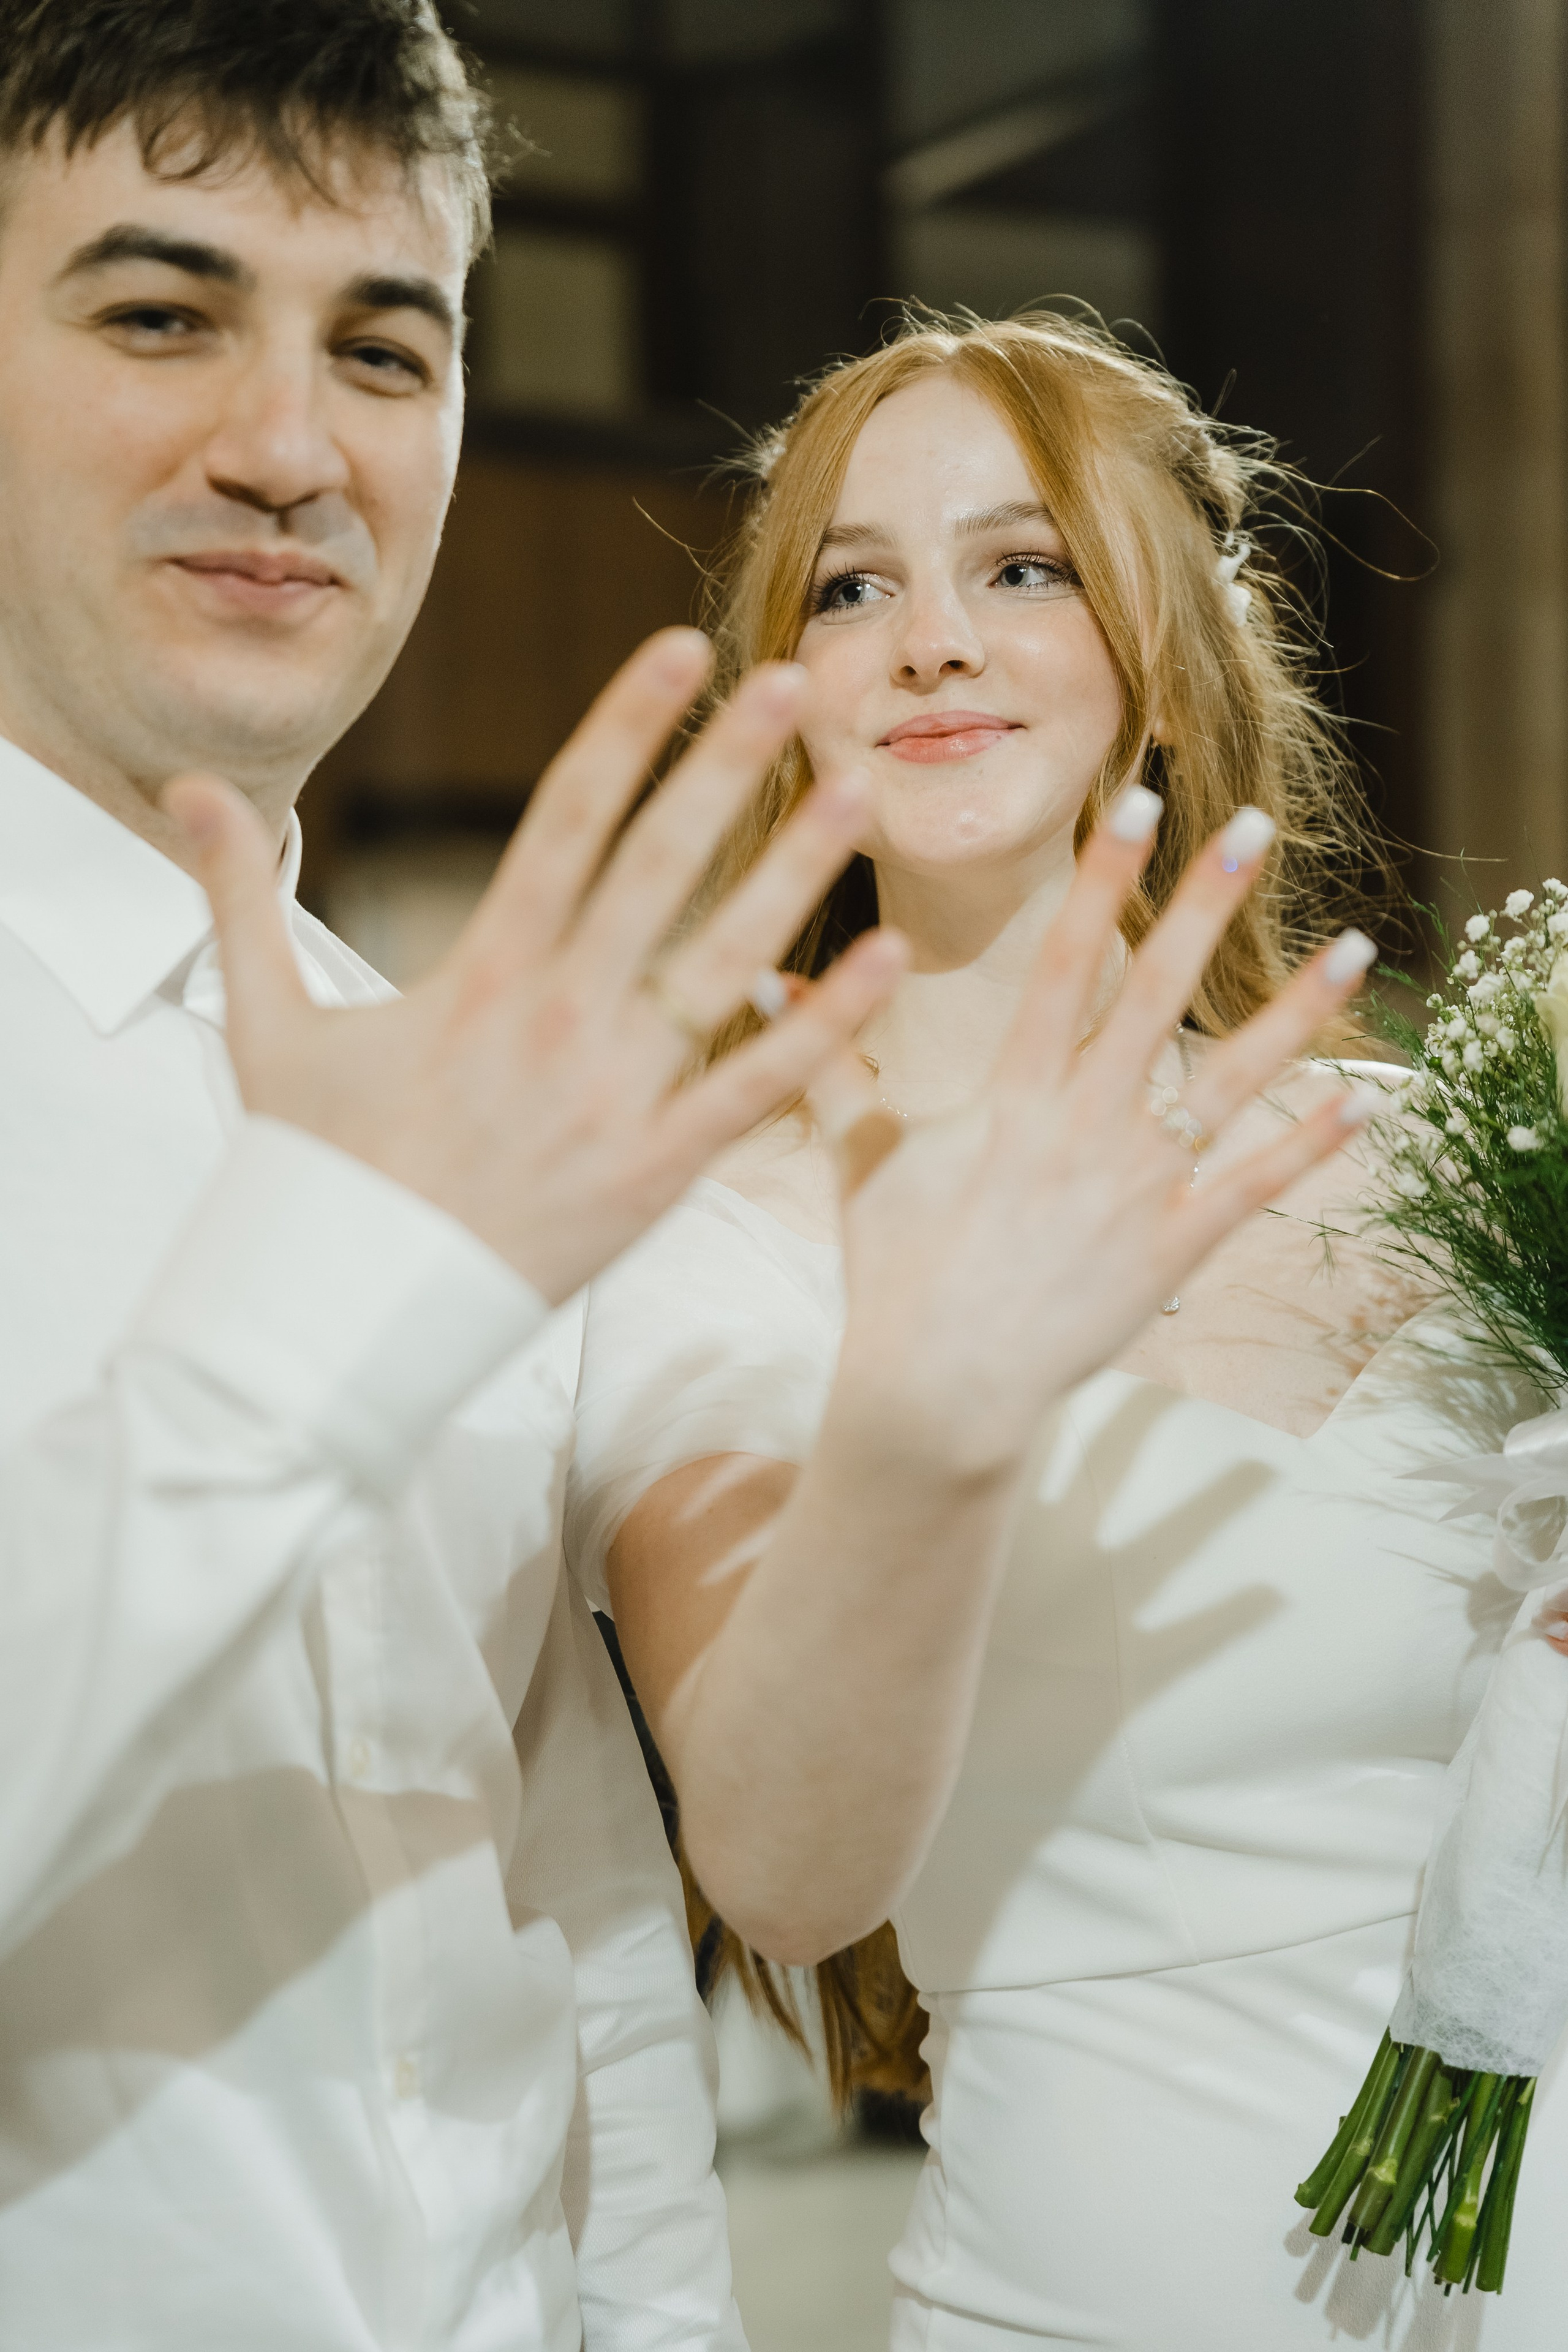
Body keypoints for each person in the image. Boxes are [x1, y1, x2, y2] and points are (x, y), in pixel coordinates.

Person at [0, 5, 914, 2344]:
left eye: (387, 350)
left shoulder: (455, 1088)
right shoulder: (433, 1166)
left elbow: (576, 1925)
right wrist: (327, 1300)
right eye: (161, 312)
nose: (292, 446)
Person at [566, 311, 1568, 2348]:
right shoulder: (715, 1235)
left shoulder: (1442, 1161)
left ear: (1166, 660)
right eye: (857, 588)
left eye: (1022, 567)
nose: (936, 639)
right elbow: (775, 1866)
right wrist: (941, 1401)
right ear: (792, 701)